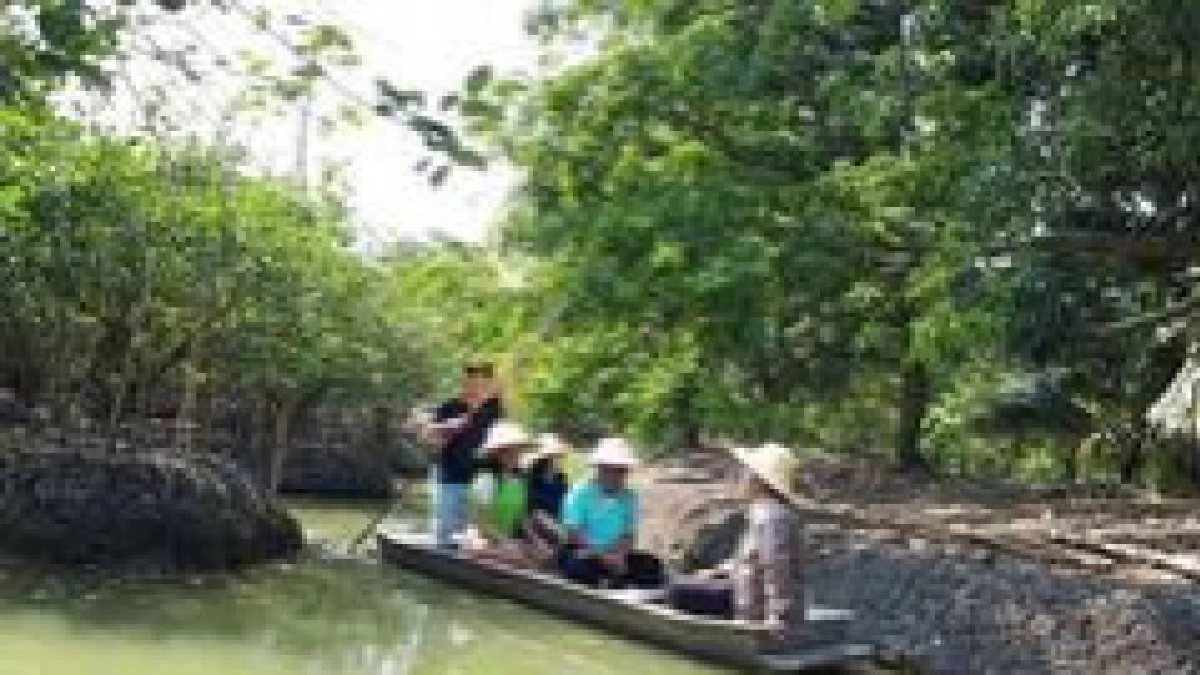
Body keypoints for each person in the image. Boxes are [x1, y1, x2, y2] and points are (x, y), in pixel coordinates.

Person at [666, 443, 805, 646]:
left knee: (676, 590)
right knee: (689, 581)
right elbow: (754, 559)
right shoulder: (771, 512)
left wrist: (778, 622)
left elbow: (777, 570)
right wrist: (717, 571)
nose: (742, 477)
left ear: (759, 481)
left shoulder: (769, 517)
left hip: (750, 606)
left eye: (746, 473)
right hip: (746, 592)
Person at [557, 437, 664, 589]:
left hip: (615, 552)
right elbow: (574, 534)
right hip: (585, 551)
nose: (621, 475)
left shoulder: (629, 497)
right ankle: (608, 582)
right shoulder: (579, 493)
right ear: (601, 468)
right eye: (617, 470)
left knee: (651, 563)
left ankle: (620, 582)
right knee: (578, 565)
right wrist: (602, 557)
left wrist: (619, 555)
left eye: (623, 470)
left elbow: (629, 534)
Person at [423, 362, 503, 550]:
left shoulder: (494, 410)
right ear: (465, 382)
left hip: (482, 481)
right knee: (447, 538)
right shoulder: (449, 407)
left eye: (482, 381)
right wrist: (450, 426)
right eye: (472, 380)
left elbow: (503, 442)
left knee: (474, 538)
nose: (477, 386)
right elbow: (430, 438)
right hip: (452, 478)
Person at [464, 420, 534, 564]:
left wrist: (537, 541)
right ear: (499, 452)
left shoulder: (519, 482)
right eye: (512, 449)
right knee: (512, 555)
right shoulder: (486, 480)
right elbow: (481, 523)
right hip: (481, 540)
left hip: (503, 541)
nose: (518, 454)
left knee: (536, 553)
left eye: (519, 449)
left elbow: (522, 520)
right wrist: (506, 542)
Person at [519, 433, 570, 567]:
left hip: (554, 526)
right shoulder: (529, 478)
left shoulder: (561, 480)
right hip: (532, 526)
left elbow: (563, 509)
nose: (556, 460)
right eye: (553, 457)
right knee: (539, 515)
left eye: (558, 456)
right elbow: (526, 513)